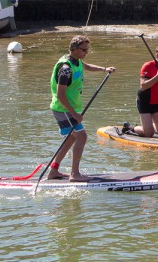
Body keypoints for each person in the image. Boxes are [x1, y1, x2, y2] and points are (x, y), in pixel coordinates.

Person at [47, 36, 115, 181]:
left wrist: (105, 69)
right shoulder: (65, 69)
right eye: (84, 50)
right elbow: (60, 95)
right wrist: (74, 114)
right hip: (63, 109)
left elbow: (87, 66)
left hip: (69, 108)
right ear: (75, 49)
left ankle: (53, 171)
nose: (87, 52)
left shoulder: (76, 61)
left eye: (87, 49)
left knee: (72, 138)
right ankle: (75, 174)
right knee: (82, 136)